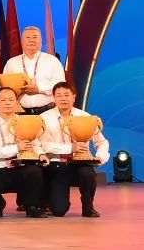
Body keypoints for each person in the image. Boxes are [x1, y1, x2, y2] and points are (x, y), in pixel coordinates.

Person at [41, 82, 108, 217]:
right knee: (59, 210)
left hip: (80, 164)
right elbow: (43, 145)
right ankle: (53, 200)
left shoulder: (85, 117)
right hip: (57, 165)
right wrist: (70, 148)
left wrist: (100, 157)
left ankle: (88, 206)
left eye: (66, 95)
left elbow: (102, 142)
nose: (63, 99)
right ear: (54, 98)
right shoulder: (44, 118)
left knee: (88, 173)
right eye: (59, 95)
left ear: (74, 97)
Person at [0, 87, 46, 218]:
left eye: (11, 100)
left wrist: (41, 154)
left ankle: (31, 206)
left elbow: (35, 143)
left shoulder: (25, 121)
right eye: (3, 100)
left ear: (16, 103)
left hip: (22, 166)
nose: (7, 103)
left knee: (34, 171)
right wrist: (17, 148)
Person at [2, 26, 66, 115]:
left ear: (41, 41)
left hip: (48, 112)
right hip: (20, 113)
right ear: (21, 41)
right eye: (28, 37)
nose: (31, 40)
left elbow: (60, 86)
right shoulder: (11, 63)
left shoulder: (52, 61)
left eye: (35, 37)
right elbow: (5, 89)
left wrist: (39, 89)